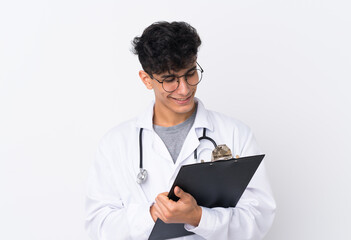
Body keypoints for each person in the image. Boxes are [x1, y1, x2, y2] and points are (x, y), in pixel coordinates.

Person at [85, 21, 276, 240]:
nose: (184, 89)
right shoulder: (115, 144)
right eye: (170, 80)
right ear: (146, 79)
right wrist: (152, 214)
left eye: (190, 74)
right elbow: (98, 225)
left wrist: (198, 217)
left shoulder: (235, 133)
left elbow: (259, 216)